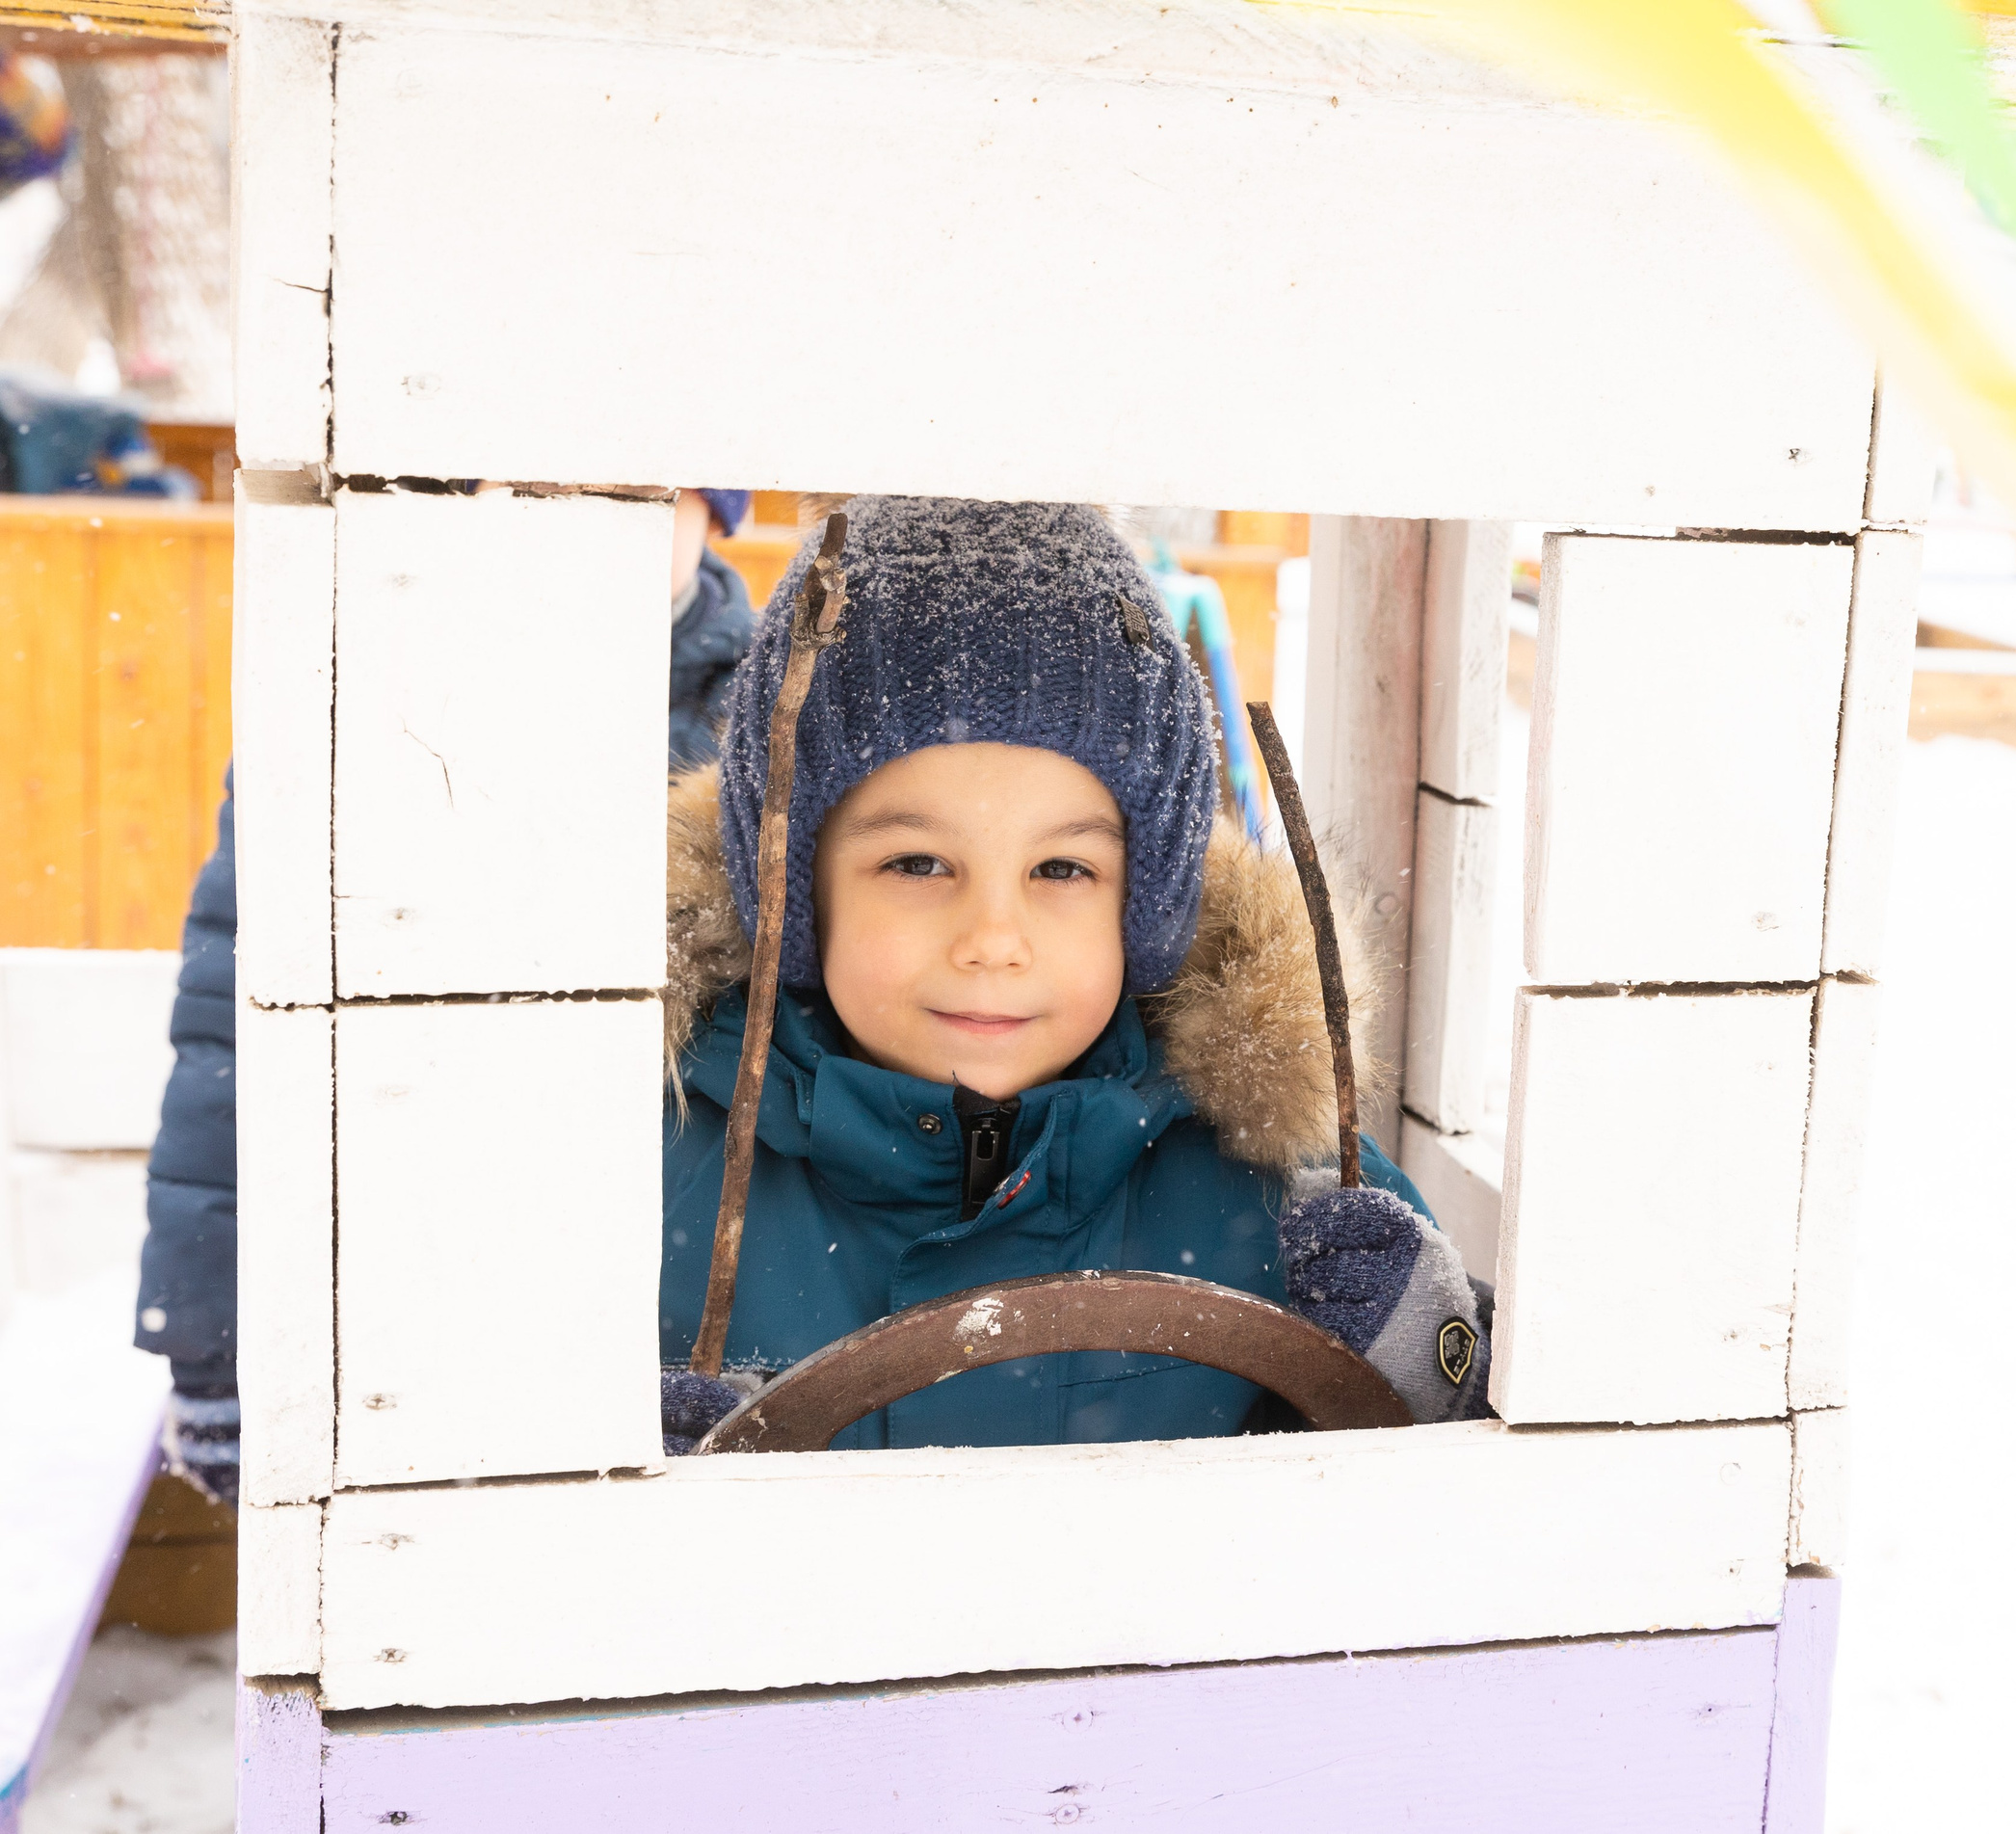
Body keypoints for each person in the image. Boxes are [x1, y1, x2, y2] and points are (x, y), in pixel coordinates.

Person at [655, 495, 1490, 1453]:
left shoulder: (1277, 1186)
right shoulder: (656, 1169)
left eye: (1062, 870)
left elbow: (1480, 1532)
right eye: (918, 865)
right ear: (795, 896)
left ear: (1146, 905)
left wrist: (1425, 1364)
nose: (993, 938)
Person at [138, 488, 756, 1502]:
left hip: (681, 1315)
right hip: (417, 1294)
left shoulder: (778, 719)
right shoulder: (368, 702)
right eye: (536, 491)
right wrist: (217, 1346)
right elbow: (233, 1041)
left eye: (640, 496)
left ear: (708, 510)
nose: (584, 526)